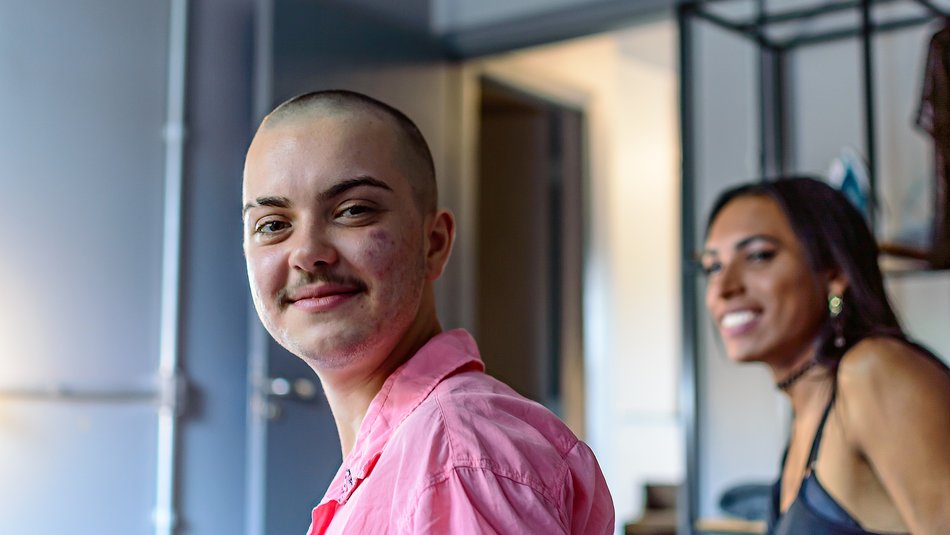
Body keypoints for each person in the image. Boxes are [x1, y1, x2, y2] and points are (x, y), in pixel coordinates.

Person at [242, 89, 614, 535]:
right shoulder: (411, 451)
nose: (307, 253)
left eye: (353, 210)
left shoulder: (457, 460)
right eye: (273, 225)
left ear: (434, 243)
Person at [701, 176, 950, 535]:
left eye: (758, 256)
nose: (724, 288)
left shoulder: (873, 372)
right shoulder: (808, 412)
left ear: (834, 273)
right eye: (713, 267)